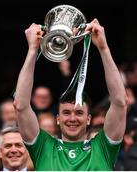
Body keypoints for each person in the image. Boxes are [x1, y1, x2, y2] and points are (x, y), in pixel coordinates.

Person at [14, 19, 128, 171]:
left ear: (89, 119)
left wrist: (103, 48)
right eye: (66, 113)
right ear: (58, 119)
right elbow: (21, 106)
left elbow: (120, 102)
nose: (72, 118)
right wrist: (32, 50)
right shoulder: (43, 147)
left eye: (79, 112)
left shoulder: (103, 147)